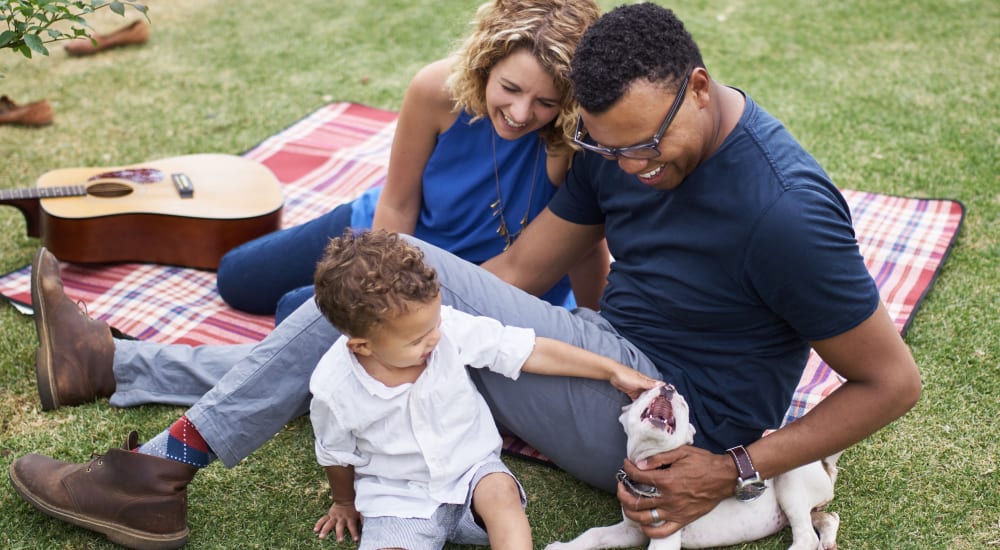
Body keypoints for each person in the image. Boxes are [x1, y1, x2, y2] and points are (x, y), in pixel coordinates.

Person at [9, 3, 922, 549]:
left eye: (648, 144)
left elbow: (892, 382)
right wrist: (398, 324)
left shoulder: (784, 210)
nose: (631, 164)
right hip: (606, 362)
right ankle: (122, 378)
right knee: (384, 317)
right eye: (608, 147)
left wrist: (732, 469)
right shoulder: (611, 142)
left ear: (697, 83)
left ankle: (158, 465)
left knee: (394, 273)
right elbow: (523, 270)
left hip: (673, 428)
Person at [215, 0, 607, 323]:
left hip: (474, 281)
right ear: (486, 64)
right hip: (391, 235)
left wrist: (598, 325)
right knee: (237, 279)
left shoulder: (574, 142)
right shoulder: (437, 91)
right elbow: (398, 203)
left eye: (546, 102)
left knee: (292, 312)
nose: (521, 113)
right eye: (510, 88)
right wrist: (379, 285)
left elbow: (584, 248)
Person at [307, 229, 657, 548]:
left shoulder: (447, 330)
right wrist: (344, 502)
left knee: (502, 494)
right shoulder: (333, 388)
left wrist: (611, 369)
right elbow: (336, 453)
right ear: (362, 347)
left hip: (473, 472)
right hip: (398, 497)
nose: (434, 338)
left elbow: (529, 350)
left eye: (435, 322)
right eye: (417, 339)